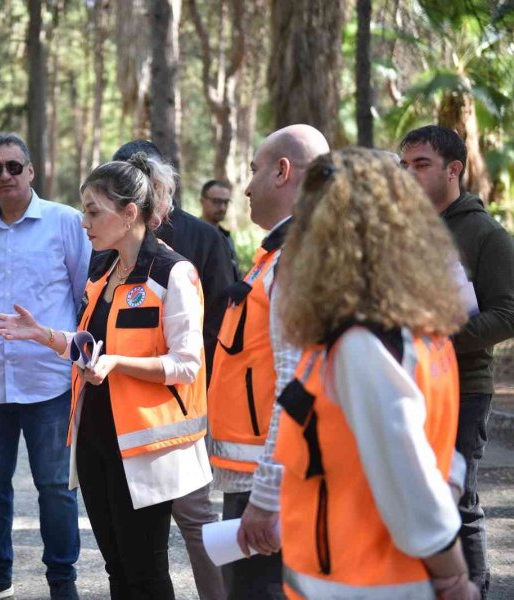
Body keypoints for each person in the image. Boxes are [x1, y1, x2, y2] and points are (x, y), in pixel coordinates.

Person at [0, 152, 211, 600]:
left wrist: (117, 365)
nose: (83, 222)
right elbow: (94, 349)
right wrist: (45, 335)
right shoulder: (104, 270)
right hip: (94, 438)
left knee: (145, 571)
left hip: (144, 448)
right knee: (116, 567)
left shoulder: (173, 273)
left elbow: (186, 364)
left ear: (129, 214)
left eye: (93, 211)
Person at [273, 147, 479, 600]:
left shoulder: (362, 343)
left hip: (364, 583)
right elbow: (443, 452)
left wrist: (453, 576)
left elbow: (411, 475)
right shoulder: (423, 329)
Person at [0, 133, 89, 600]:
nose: (5, 176)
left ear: (31, 171)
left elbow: (82, 298)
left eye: (14, 166)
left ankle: (62, 581)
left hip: (50, 384)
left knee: (56, 489)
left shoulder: (65, 223)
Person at [208, 124, 329, 599]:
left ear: (282, 172)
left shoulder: (295, 258)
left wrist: (267, 496)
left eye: (254, 170)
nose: (247, 185)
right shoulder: (279, 253)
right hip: (262, 480)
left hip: (273, 484)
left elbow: (297, 387)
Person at [110, 141, 229, 600]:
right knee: (144, 533)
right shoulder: (109, 246)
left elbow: (220, 321)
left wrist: (197, 391)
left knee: (195, 520)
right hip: (129, 416)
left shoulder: (202, 239)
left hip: (180, 411)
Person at [400, 125, 514, 599]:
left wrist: (438, 340)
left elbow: (507, 316)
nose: (410, 175)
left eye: (421, 165)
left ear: (454, 170)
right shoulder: (404, 227)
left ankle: (473, 589)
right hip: (407, 382)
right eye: (404, 165)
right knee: (413, 497)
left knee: (457, 500)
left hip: (463, 386)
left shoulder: (485, 234)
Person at [199, 179, 238, 266]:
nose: (222, 208)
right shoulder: (192, 235)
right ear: (202, 201)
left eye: (226, 202)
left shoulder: (226, 237)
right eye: (217, 201)